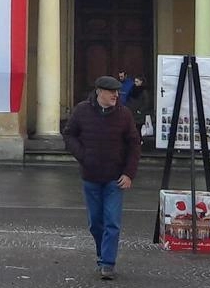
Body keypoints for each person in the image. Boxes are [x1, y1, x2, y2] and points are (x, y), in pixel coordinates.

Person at [63, 75, 142, 280]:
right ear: (99, 92)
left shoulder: (124, 115)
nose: (116, 94)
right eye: (111, 91)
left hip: (115, 179)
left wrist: (129, 173)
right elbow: (69, 134)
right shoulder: (82, 111)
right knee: (95, 222)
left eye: (117, 91)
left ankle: (108, 263)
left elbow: (134, 145)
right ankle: (101, 253)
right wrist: (83, 155)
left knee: (112, 221)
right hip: (90, 176)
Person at [125, 75, 153, 147]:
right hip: (133, 111)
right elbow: (129, 99)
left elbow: (146, 103)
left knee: (138, 128)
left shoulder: (144, 92)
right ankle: (135, 141)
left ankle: (139, 141)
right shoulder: (133, 89)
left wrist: (140, 110)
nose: (135, 83)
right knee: (133, 128)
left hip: (139, 113)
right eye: (135, 81)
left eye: (137, 81)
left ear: (141, 82)